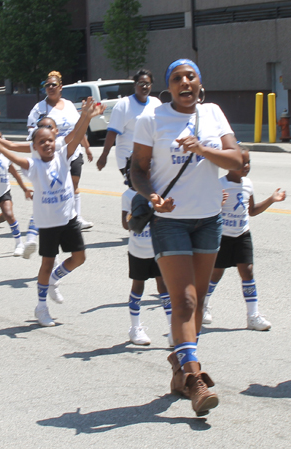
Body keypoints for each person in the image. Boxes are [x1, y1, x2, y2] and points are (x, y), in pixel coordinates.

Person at [131, 59, 243, 416]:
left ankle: (180, 371)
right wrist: (151, 197)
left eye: (190, 76)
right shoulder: (152, 118)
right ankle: (196, 379)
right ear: (169, 86)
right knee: (187, 301)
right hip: (170, 221)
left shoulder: (213, 113)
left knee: (198, 302)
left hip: (209, 219)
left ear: (199, 82)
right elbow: (137, 169)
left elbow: (237, 160)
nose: (185, 83)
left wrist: (201, 149)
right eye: (177, 78)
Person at [0, 98, 103, 327]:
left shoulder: (64, 156)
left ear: (55, 140)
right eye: (41, 142)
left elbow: (76, 136)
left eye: (50, 140)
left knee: (79, 257)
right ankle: (41, 306)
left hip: (68, 219)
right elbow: (15, 156)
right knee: (46, 264)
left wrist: (86, 115)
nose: (47, 144)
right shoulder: (35, 166)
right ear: (34, 146)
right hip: (48, 225)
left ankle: (55, 280)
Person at [203, 148, 286, 329]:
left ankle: (253, 315)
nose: (246, 166)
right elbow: (207, 210)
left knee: (247, 272)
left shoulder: (247, 184)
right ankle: (203, 305)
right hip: (223, 236)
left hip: (242, 234)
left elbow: (252, 211)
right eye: (242, 163)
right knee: (216, 273)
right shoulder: (219, 184)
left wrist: (271, 199)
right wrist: (219, 203)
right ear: (229, 164)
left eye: (248, 163)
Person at [27, 70, 94, 230]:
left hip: (73, 150)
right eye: (47, 85)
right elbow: (31, 129)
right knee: (54, 187)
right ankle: (47, 215)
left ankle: (76, 218)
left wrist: (87, 147)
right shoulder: (40, 108)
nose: (50, 87)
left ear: (60, 87)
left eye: (53, 85)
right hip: (53, 154)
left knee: (74, 183)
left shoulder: (69, 105)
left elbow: (78, 128)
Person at [121, 161, 172, 346]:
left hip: (157, 247)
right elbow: (126, 225)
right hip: (138, 250)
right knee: (138, 286)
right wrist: (137, 215)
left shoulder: (160, 193)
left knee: (163, 287)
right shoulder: (129, 195)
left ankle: (173, 328)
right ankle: (135, 328)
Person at [97, 69, 161, 182]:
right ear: (135, 85)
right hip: (129, 160)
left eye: (148, 84)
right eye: (141, 83)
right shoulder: (124, 104)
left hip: (151, 160)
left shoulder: (156, 103)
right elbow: (112, 132)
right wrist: (104, 155)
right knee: (140, 191)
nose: (145, 87)